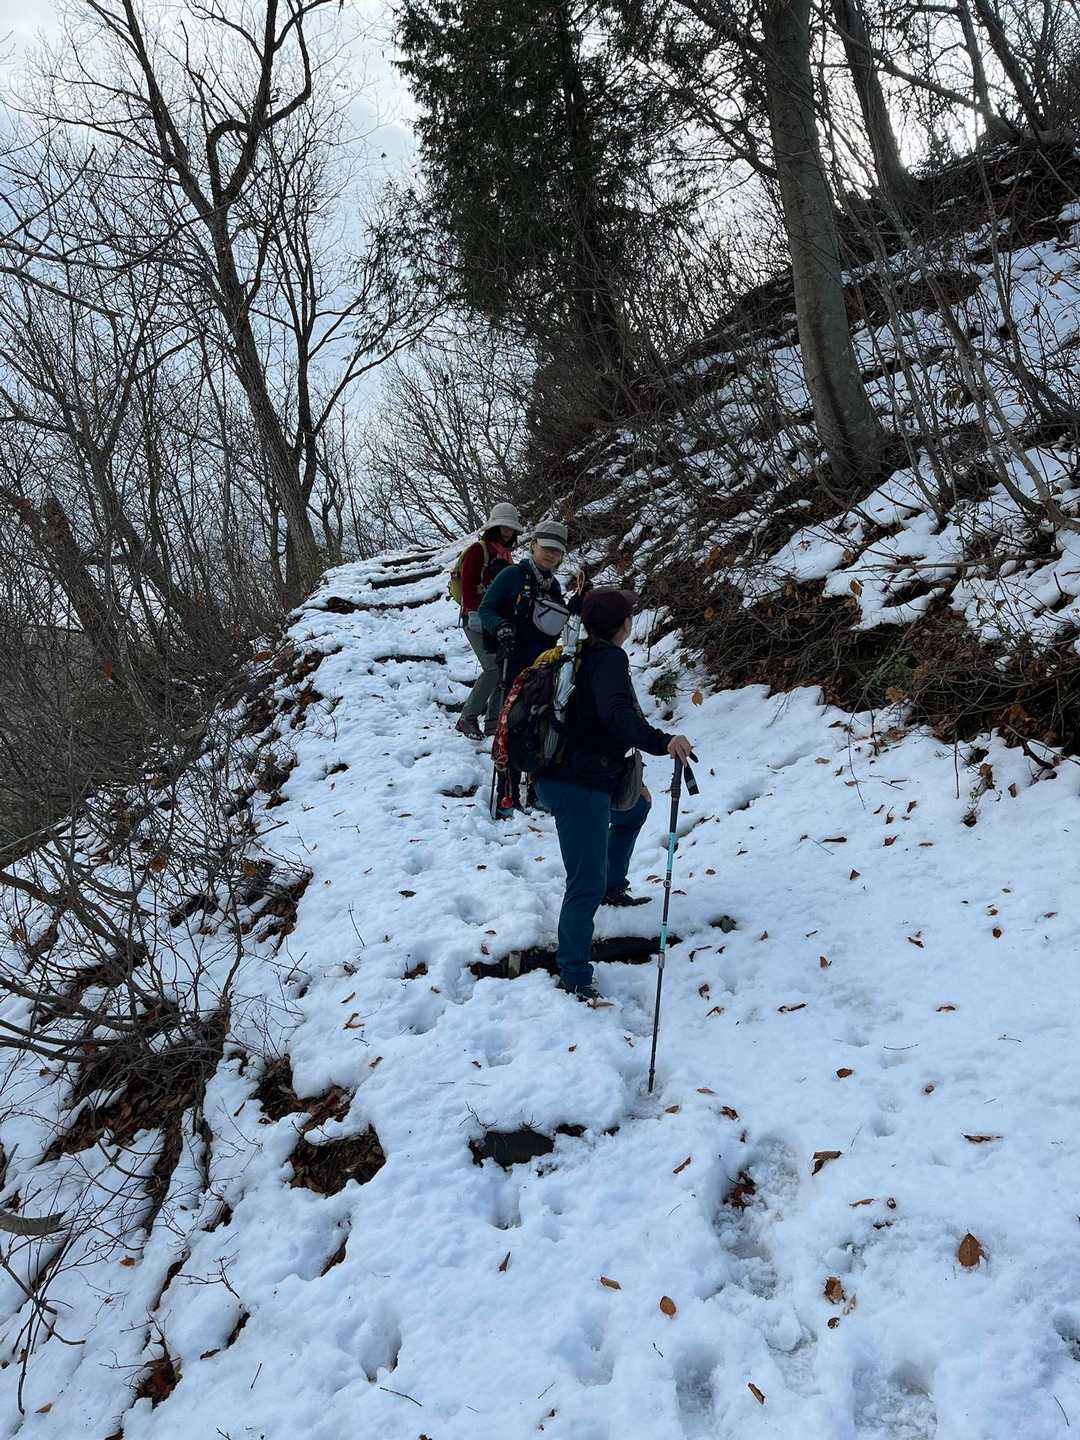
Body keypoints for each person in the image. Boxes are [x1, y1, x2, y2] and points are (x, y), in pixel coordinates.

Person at [535, 588, 695, 1001]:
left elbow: (593, 721)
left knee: (636, 806)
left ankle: (612, 885)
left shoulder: (579, 653)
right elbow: (616, 716)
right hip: (576, 784)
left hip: (565, 772)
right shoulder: (608, 659)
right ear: (624, 624)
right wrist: (663, 741)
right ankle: (573, 973)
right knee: (583, 882)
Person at [479, 520, 574, 813]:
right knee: (511, 724)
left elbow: (555, 621)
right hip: (512, 660)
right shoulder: (512, 575)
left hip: (542, 665)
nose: (551, 555)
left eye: (556, 551)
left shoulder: (553, 585)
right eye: (546, 548)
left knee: (540, 724)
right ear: (533, 545)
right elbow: (485, 609)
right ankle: (507, 795)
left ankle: (536, 790)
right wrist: (500, 626)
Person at [455, 503, 524, 741]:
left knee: (502, 668)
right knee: (493, 668)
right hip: (475, 618)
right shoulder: (479, 550)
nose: (507, 531)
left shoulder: (506, 555)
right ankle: (467, 717)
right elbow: (468, 583)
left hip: (497, 620)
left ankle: (493, 723)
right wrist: (473, 613)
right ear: (494, 526)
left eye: (510, 528)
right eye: (504, 526)